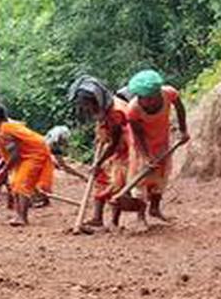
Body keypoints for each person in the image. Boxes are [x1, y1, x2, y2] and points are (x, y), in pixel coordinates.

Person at [69, 75, 146, 230]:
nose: (85, 108)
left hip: (126, 150)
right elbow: (106, 134)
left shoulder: (116, 112)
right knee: (101, 179)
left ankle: (118, 220)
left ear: (96, 100)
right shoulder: (103, 108)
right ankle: (97, 218)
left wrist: (99, 161)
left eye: (87, 104)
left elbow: (115, 142)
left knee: (117, 185)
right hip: (114, 149)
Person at [125, 69, 190, 222]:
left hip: (162, 142)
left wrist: (183, 130)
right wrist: (146, 157)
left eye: (147, 98)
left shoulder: (169, 94)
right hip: (142, 147)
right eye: (140, 97)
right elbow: (138, 136)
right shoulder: (133, 110)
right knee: (140, 180)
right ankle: (140, 217)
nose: (143, 101)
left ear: (156, 94)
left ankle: (155, 209)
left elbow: (180, 108)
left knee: (161, 176)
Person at [0, 103, 53, 227]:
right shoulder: (4, 128)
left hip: (35, 154)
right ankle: (18, 214)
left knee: (21, 184)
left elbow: (15, 155)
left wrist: (4, 170)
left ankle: (22, 218)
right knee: (14, 182)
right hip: (26, 155)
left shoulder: (6, 131)